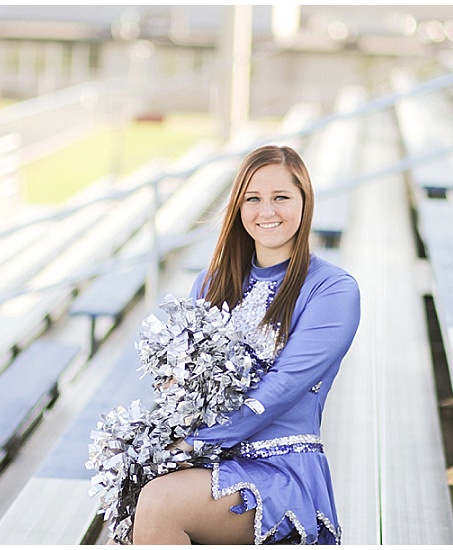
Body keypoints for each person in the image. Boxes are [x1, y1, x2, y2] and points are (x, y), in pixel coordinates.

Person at [131, 144, 361, 545]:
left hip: (280, 468)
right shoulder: (210, 282)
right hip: (210, 461)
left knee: (160, 502)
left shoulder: (332, 290)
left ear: (305, 204)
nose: (266, 211)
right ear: (238, 207)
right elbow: (183, 386)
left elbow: (283, 388)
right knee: (135, 489)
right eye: (253, 198)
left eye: (281, 198)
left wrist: (190, 445)